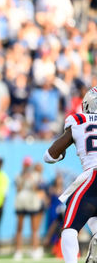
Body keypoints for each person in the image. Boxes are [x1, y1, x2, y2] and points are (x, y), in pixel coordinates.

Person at [43, 87, 97, 263]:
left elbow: (49, 155)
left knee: (69, 228)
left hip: (93, 176)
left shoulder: (79, 119)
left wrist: (61, 152)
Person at [13, 157, 45, 260]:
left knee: (34, 228)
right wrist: (23, 179)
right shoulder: (18, 175)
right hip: (21, 202)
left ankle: (34, 249)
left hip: (32, 202)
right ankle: (18, 251)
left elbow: (37, 188)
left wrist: (31, 179)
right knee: (19, 228)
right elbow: (18, 189)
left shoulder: (36, 176)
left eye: (28, 165)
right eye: (25, 165)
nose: (27, 167)